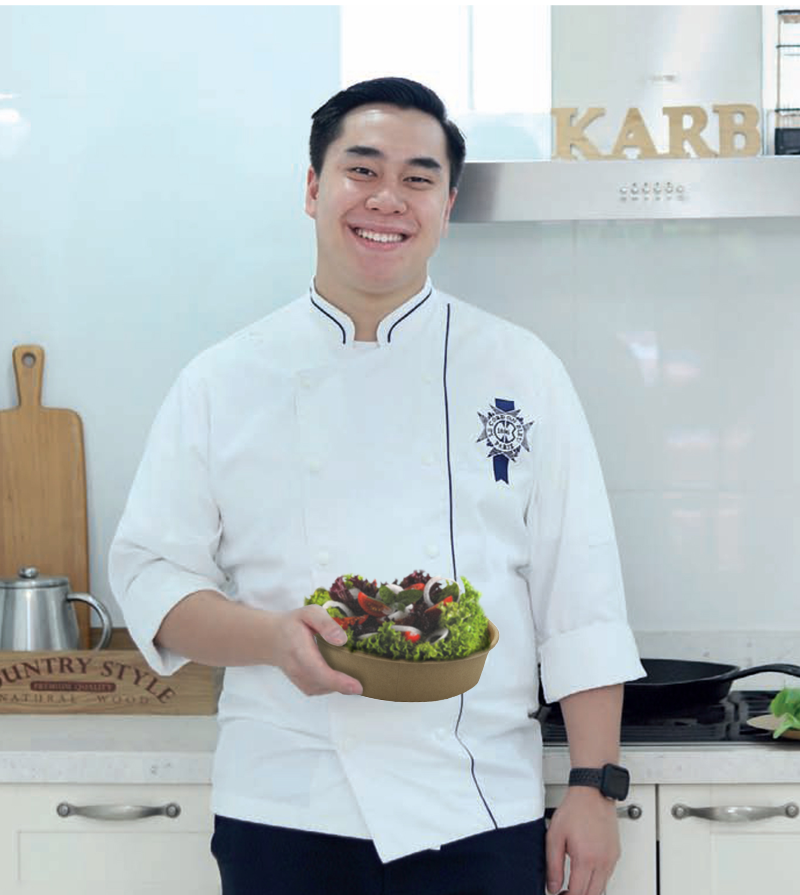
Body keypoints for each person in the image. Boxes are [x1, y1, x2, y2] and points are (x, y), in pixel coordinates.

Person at [109, 77, 645, 895]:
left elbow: (580, 589)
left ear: (447, 205)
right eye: (361, 170)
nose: (387, 198)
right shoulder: (222, 380)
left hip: (474, 801)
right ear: (313, 187)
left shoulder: (519, 369)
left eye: (417, 179)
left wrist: (593, 785)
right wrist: (272, 637)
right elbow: (151, 574)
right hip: (285, 801)